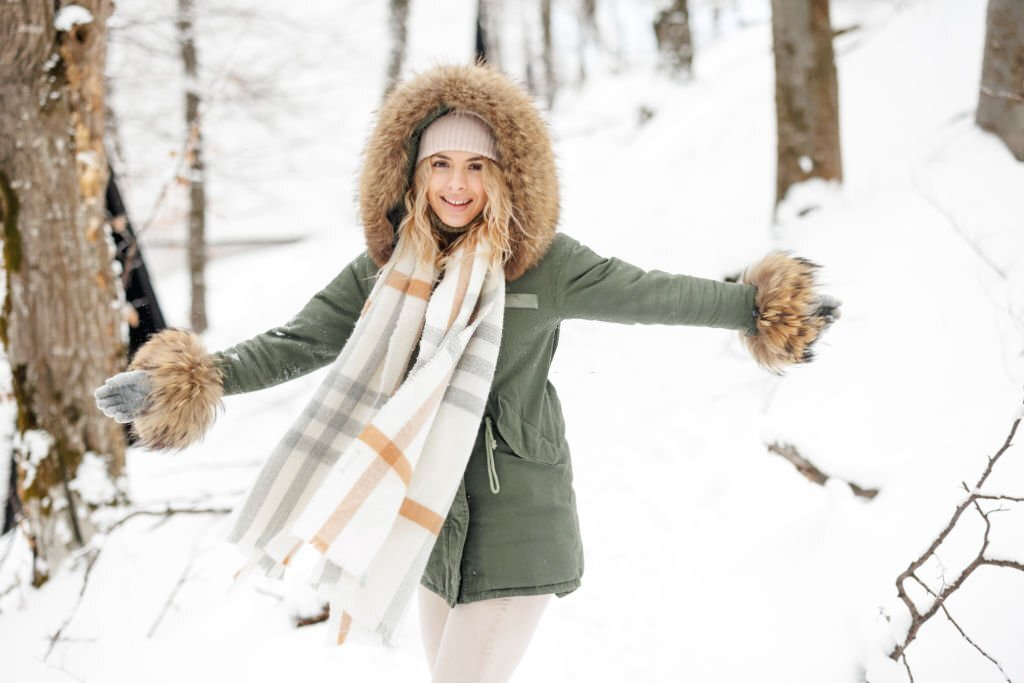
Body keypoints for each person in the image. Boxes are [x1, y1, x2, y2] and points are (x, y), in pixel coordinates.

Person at [94, 63, 841, 682]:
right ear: (412, 174)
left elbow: (652, 293)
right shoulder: (388, 270)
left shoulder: (544, 263)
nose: (457, 184)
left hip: (520, 519)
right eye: (440, 164)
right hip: (431, 524)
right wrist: (185, 381)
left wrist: (758, 308)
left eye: (476, 165)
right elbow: (300, 339)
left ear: (504, 172)